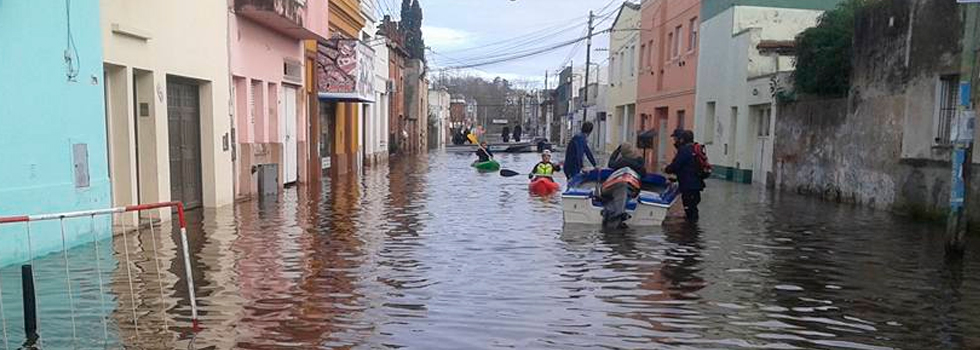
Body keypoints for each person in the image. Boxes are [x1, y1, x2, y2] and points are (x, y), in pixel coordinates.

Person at [665, 129, 705, 222]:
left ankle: (691, 231)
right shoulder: (694, 149)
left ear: (682, 139)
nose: (675, 141)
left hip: (689, 186)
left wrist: (666, 169)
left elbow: (676, 165)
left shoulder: (684, 150)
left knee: (690, 209)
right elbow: (688, 168)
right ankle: (692, 230)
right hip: (696, 184)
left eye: (676, 139)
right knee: (692, 208)